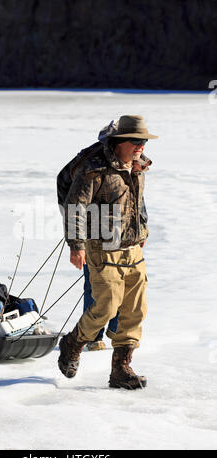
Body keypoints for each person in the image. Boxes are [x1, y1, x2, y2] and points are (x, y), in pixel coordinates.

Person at [57, 115, 158, 389]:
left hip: (132, 246)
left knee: (135, 310)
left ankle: (121, 369)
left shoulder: (137, 166)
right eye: (135, 141)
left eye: (143, 141)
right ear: (118, 142)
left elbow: (138, 201)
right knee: (105, 307)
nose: (141, 146)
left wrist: (143, 230)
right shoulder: (94, 169)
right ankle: (73, 343)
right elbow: (75, 207)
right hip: (103, 246)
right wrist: (76, 245)